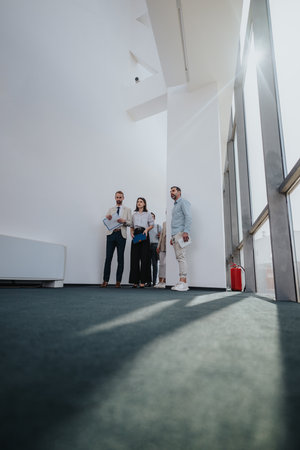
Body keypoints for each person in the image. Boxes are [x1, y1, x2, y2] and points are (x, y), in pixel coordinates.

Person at [101, 191, 132, 288]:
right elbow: (106, 221)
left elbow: (130, 223)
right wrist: (108, 218)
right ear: (115, 198)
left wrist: (124, 221)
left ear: (123, 198)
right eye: (117, 197)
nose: (118, 199)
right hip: (111, 234)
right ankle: (105, 281)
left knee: (120, 259)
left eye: (120, 197)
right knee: (108, 258)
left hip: (121, 235)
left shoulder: (127, 210)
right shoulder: (111, 209)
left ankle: (118, 281)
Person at [170, 186, 192, 291]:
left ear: (179, 192)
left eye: (173, 190)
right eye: (171, 191)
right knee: (179, 257)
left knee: (181, 257)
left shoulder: (183, 202)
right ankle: (181, 281)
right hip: (175, 234)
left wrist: (186, 231)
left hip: (181, 233)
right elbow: (175, 221)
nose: (171, 192)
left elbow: (188, 216)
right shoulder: (175, 206)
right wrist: (172, 236)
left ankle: (184, 282)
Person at [129, 197, 154, 288]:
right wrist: (131, 233)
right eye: (138, 202)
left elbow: (152, 225)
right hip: (136, 234)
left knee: (144, 259)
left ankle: (143, 281)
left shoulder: (148, 214)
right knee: (134, 258)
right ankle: (135, 281)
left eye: (141, 202)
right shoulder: (134, 215)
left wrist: (147, 229)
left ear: (144, 204)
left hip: (144, 234)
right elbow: (131, 226)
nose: (139, 203)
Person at [148, 212, 161, 286]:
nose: (151, 218)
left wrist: (160, 235)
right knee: (147, 264)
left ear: (154, 218)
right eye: (150, 217)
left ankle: (154, 282)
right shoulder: (146, 227)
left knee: (155, 264)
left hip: (155, 246)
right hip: (147, 246)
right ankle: (148, 282)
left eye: (152, 217)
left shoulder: (158, 226)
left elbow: (163, 237)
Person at [155, 220, 166, 288]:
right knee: (161, 264)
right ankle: (160, 281)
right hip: (162, 246)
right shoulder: (164, 223)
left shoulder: (174, 222)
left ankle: (165, 281)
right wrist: (158, 246)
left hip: (169, 246)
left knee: (165, 264)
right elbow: (161, 235)